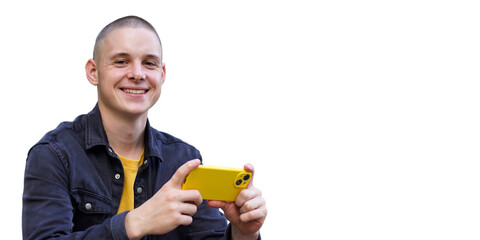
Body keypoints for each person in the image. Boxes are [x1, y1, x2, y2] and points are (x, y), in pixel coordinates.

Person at [22, 15, 267, 240]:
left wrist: (243, 232)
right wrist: (135, 222)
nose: (137, 74)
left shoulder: (184, 159)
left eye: (149, 63)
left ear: (162, 74)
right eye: (121, 61)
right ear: (93, 72)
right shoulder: (54, 154)